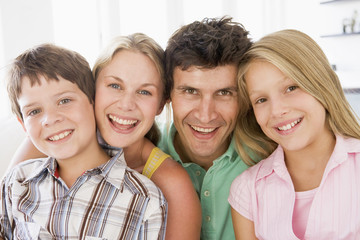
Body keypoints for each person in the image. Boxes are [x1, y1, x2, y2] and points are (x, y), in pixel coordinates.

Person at [7, 33, 201, 239]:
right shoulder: (55, 134)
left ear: (161, 104)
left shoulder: (168, 185)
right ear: (92, 91)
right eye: (115, 86)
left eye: (144, 92)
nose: (126, 104)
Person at [229, 29, 360, 239]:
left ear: (321, 85)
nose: (277, 110)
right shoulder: (248, 190)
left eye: (291, 88)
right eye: (261, 100)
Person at [158, 16, 253, 239]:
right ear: (168, 94)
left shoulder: (268, 156)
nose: (205, 115)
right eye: (190, 91)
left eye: (224, 93)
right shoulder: (142, 156)